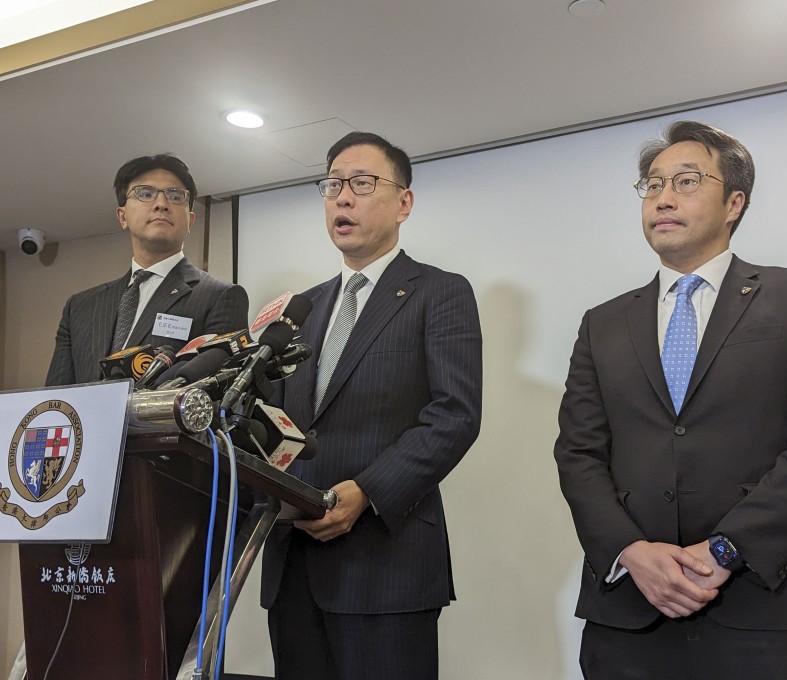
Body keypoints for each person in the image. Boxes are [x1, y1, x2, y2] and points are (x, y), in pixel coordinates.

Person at [553, 120, 787, 679]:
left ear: (734, 202)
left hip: (766, 608)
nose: (663, 197)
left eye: (687, 181)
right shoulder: (602, 323)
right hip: (628, 615)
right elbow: (577, 454)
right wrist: (631, 552)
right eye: (652, 184)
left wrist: (724, 550)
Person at [259, 132, 483, 680]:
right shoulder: (298, 311)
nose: (342, 197)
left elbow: (454, 414)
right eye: (333, 185)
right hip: (295, 564)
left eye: (362, 183)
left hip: (386, 560)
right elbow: (276, 423)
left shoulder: (440, 292)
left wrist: (368, 491)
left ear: (404, 202)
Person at [45, 153, 248, 386]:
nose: (161, 204)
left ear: (190, 221)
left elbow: (218, 391)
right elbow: (55, 396)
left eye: (175, 196)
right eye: (145, 194)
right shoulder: (79, 307)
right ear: (122, 217)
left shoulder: (221, 297)